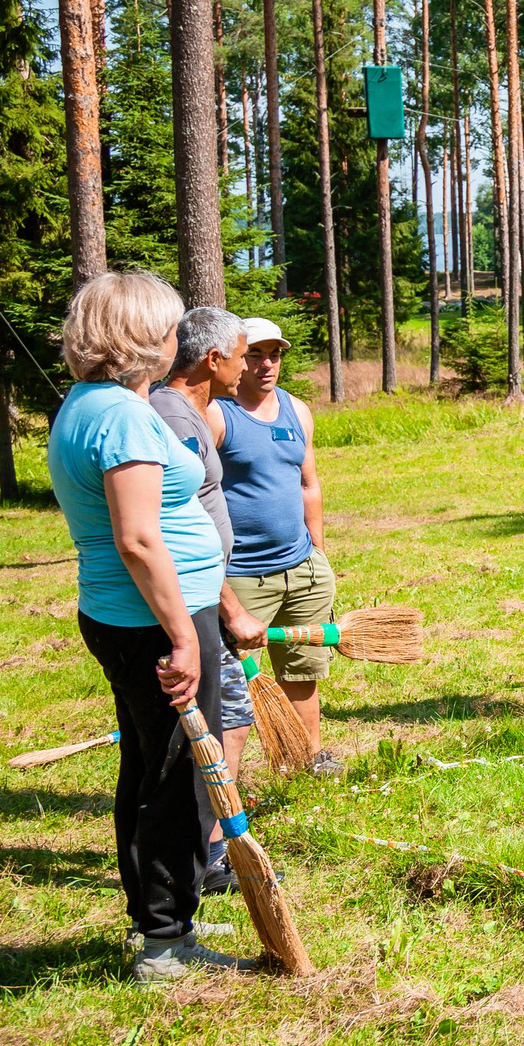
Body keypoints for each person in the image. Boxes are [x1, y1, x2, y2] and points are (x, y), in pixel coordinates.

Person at [47, 271, 261, 983]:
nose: (176, 339)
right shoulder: (122, 417)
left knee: (149, 766)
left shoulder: (91, 403)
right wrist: (183, 635)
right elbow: (139, 539)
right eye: (169, 327)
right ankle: (167, 943)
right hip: (153, 619)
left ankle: (165, 915)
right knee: (177, 777)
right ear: (142, 337)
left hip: (135, 615)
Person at [150, 308, 272, 892]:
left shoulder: (194, 412)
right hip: (194, 603)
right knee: (201, 730)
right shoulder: (171, 417)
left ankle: (214, 842)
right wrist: (231, 608)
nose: (248, 367)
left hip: (204, 597)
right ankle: (200, 855)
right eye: (242, 355)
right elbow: (171, 527)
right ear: (213, 359)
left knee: (233, 715)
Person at [218, 316, 341, 774]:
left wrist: (318, 554)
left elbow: (309, 484)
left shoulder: (297, 409)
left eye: (274, 355)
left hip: (301, 566)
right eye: (255, 354)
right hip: (241, 575)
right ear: (236, 358)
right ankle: (221, 781)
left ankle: (306, 759)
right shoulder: (218, 414)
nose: (266, 364)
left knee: (302, 669)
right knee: (233, 681)